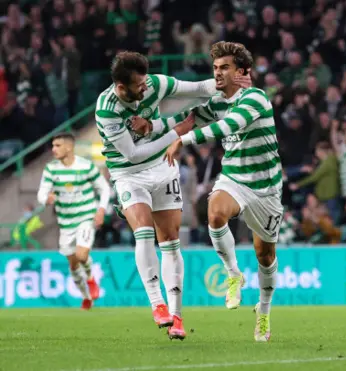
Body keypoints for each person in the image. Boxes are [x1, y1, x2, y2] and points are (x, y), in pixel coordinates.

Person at [94, 51, 251, 340]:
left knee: (170, 242)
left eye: (145, 82)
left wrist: (229, 81)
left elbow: (197, 89)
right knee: (142, 231)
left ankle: (177, 318)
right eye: (138, 85)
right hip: (129, 173)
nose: (145, 88)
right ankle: (157, 304)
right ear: (120, 87)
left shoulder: (154, 83)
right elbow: (133, 152)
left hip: (163, 169)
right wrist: (176, 133)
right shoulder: (107, 109)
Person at [161, 41, 282, 342]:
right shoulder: (217, 102)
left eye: (224, 67)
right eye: (215, 67)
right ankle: (233, 274)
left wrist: (185, 140)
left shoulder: (256, 98)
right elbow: (184, 119)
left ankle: (263, 313)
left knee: (264, 254)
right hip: (235, 180)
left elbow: (227, 126)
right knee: (215, 213)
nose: (217, 73)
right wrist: (149, 127)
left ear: (241, 72)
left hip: (266, 188)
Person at [36, 133, 111, 310]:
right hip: (65, 223)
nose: (53, 149)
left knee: (82, 255)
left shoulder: (86, 166)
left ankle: (91, 280)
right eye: (53, 146)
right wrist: (46, 199)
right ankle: (86, 296)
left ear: (69, 147)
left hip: (85, 217)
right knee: (73, 264)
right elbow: (41, 193)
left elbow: (104, 188)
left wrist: (101, 209)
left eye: (57, 145)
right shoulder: (51, 169)